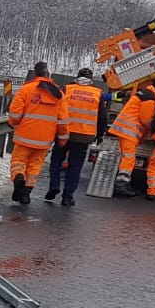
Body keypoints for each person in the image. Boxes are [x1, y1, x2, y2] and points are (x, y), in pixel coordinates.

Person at [45, 68, 108, 206]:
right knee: (76, 166)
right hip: (84, 136)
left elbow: (56, 108)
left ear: (77, 77)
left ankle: (54, 186)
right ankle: (67, 197)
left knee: (56, 160)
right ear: (91, 79)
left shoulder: (67, 89)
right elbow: (103, 117)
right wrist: (100, 135)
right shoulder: (97, 93)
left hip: (64, 133)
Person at [7, 61, 67, 205]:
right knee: (34, 166)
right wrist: (62, 138)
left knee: (18, 161)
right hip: (44, 139)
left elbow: (15, 114)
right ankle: (26, 194)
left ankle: (18, 178)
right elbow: (63, 119)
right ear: (48, 74)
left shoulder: (25, 89)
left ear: (35, 73)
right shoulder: (58, 94)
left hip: (24, 136)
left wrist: (13, 123)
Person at [107, 78, 155, 197]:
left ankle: (124, 183)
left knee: (128, 158)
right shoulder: (149, 98)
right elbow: (145, 119)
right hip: (129, 131)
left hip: (125, 129)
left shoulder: (143, 93)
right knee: (129, 159)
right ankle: (121, 185)